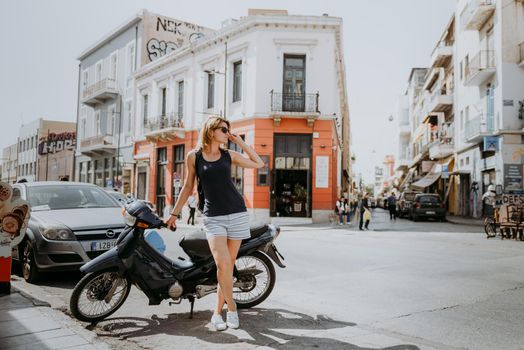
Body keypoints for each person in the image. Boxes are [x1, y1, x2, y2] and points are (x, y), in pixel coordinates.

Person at [165, 116, 264, 331]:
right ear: (211, 131)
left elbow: (259, 163)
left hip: (237, 213)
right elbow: (188, 187)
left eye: (228, 129)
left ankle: (217, 313)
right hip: (213, 217)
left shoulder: (229, 155)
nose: (227, 132)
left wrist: (240, 142)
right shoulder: (195, 157)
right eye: (224, 129)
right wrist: (174, 213)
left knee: (226, 269)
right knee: (222, 264)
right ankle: (233, 308)